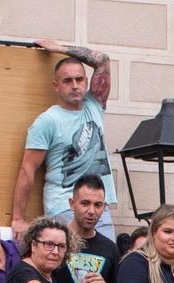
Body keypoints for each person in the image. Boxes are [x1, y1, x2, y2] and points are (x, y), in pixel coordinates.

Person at [11, 38, 115, 237]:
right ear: (56, 86)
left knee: (105, 263)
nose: (75, 85)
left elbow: (102, 60)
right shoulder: (48, 120)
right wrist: (18, 218)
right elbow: (27, 169)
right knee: (70, 265)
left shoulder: (95, 105)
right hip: (64, 207)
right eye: (67, 81)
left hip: (100, 208)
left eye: (79, 79)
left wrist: (60, 49)